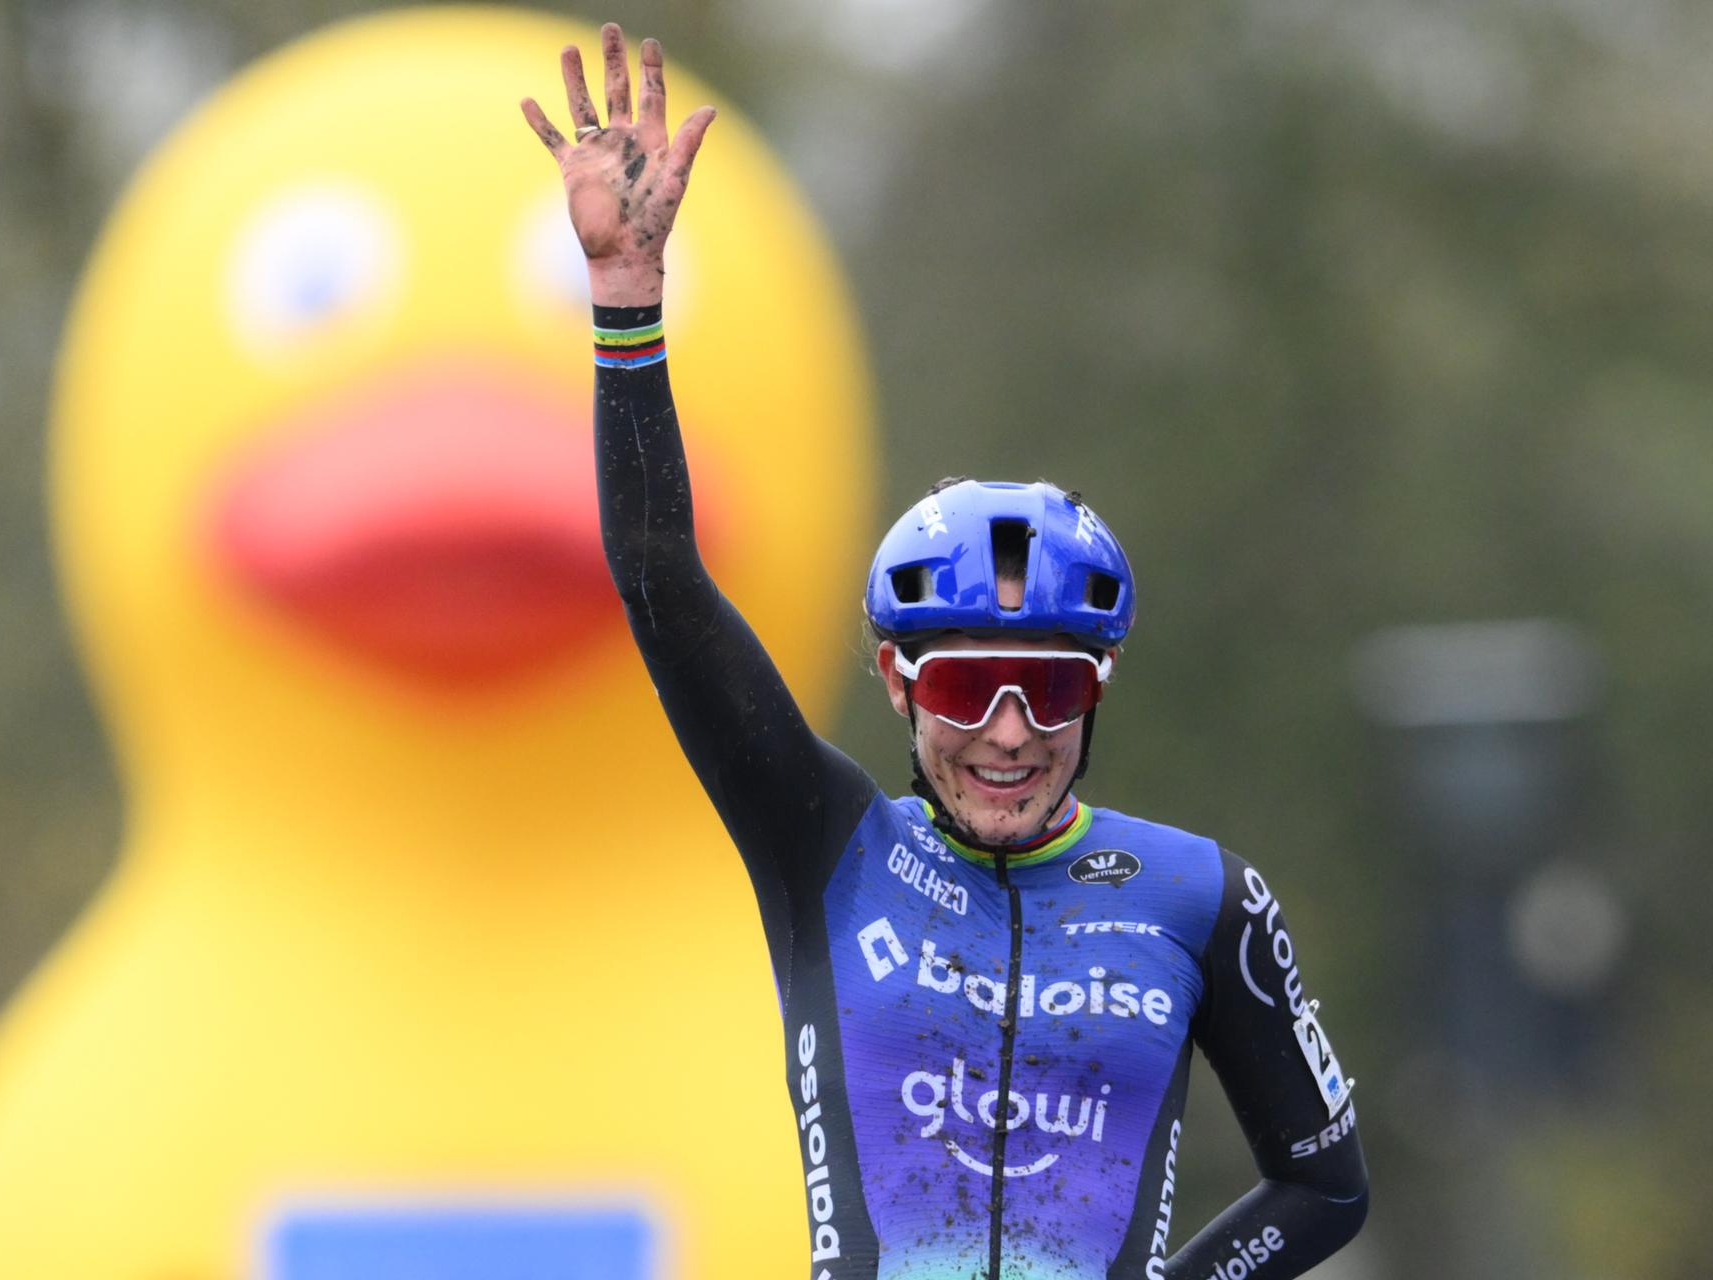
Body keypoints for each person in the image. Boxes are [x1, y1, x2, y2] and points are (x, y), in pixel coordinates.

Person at [522, 25, 1367, 1280]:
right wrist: (628, 304)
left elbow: (1322, 1184)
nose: (1013, 728)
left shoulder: (1200, 899)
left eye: (1055, 685)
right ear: (897, 682)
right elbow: (656, 571)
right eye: (971, 683)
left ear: (1101, 685)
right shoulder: (827, 846)